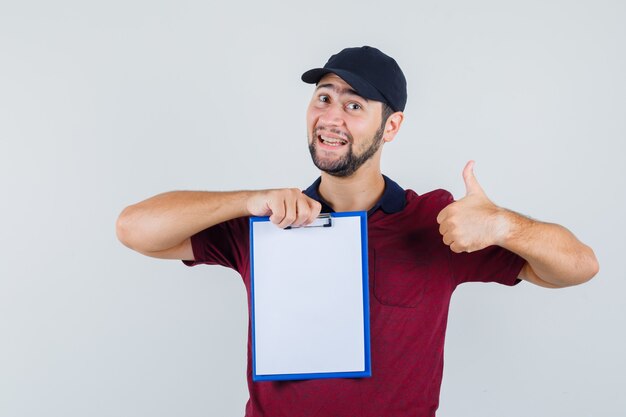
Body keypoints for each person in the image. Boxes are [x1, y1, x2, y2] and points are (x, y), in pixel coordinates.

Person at [116, 46, 599, 416]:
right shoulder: (266, 222)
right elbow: (134, 228)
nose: (331, 116)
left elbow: (578, 267)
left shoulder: (437, 223)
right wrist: (248, 201)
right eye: (323, 98)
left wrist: (503, 224)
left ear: (390, 128)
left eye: (354, 105)